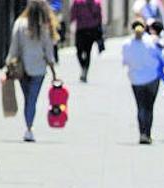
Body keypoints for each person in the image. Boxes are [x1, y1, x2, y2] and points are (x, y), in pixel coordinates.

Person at [6, 0, 58, 143]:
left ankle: (28, 126)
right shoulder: (45, 27)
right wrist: (53, 72)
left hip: (22, 68)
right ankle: (29, 128)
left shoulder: (19, 23)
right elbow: (49, 52)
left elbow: (14, 47)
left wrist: (9, 63)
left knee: (27, 98)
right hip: (39, 69)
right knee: (32, 99)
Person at [122, 20, 164, 144]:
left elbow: (125, 62)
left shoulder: (126, 44)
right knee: (149, 107)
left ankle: (142, 133)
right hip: (152, 78)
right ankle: (147, 133)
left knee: (140, 106)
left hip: (136, 80)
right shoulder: (153, 41)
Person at [69, 0, 103, 82]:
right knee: (87, 52)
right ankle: (85, 69)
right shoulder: (96, 3)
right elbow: (99, 18)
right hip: (91, 30)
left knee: (79, 51)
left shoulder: (77, 2)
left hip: (81, 30)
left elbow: (73, 15)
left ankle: (84, 69)